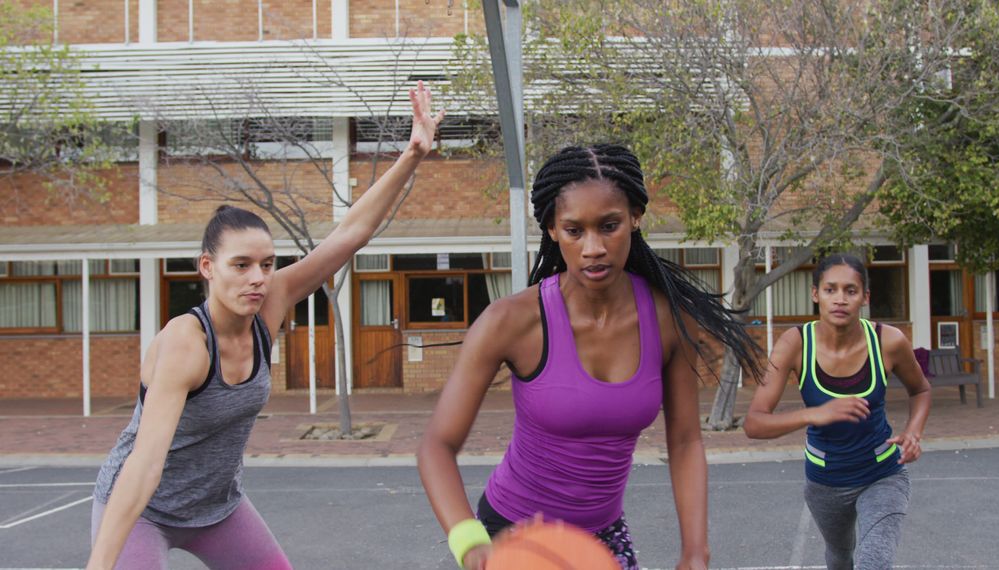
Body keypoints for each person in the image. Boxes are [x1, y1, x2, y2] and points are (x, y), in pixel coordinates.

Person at [87, 82, 444, 570]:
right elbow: (145, 465)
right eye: (240, 265)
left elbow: (350, 234)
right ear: (208, 268)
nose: (257, 278)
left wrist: (412, 155)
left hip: (218, 509)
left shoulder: (269, 303)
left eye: (267, 263)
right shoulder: (185, 345)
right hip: (142, 510)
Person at [417, 144, 762, 570]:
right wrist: (470, 544)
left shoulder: (668, 318)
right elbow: (437, 445)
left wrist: (695, 549)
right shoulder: (511, 321)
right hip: (511, 534)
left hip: (603, 538)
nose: (593, 247)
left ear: (635, 217)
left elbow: (686, 440)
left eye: (609, 225)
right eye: (575, 230)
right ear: (552, 230)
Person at [744, 254, 932, 570]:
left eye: (850, 290)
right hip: (826, 479)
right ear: (815, 293)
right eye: (830, 290)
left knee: (873, 562)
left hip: (883, 471)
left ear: (865, 297)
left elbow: (921, 390)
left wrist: (914, 431)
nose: (840, 299)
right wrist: (813, 414)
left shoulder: (888, 341)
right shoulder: (795, 343)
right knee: (840, 554)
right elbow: (754, 423)